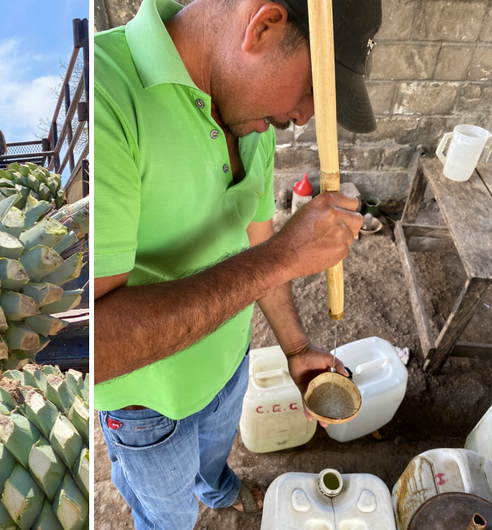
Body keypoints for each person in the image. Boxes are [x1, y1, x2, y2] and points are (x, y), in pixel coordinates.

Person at [93, 0, 381, 527]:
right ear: (264, 26)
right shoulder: (106, 96)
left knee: (214, 455)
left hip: (228, 361)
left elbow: (255, 239)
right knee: (168, 516)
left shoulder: (249, 112)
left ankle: (219, 487)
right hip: (147, 406)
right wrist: (283, 259)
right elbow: (96, 344)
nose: (303, 118)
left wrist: (295, 349)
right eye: (313, 93)